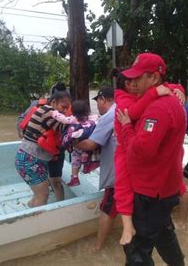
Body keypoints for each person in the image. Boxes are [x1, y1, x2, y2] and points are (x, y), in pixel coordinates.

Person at [116, 53, 186, 266]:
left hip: (151, 192)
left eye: (138, 77)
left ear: (154, 79)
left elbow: (140, 152)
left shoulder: (156, 109)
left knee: (137, 250)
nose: (133, 83)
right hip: (166, 187)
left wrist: (127, 127)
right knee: (164, 236)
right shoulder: (171, 100)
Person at [73, 86, 117, 251]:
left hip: (118, 175)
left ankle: (98, 247)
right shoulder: (124, 109)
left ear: (103, 99)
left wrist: (73, 142)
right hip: (133, 171)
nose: (97, 106)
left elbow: (91, 144)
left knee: (107, 208)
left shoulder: (109, 116)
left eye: (97, 101)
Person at [15, 91, 71, 207]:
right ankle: (38, 223)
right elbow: (62, 128)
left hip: (29, 159)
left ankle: (31, 207)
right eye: (63, 107)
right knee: (43, 195)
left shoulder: (48, 109)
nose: (65, 111)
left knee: (39, 195)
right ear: (54, 102)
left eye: (68, 108)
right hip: (29, 160)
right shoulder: (49, 111)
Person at [60, 100, 100, 187]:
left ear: (73, 112)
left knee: (75, 158)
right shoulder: (93, 118)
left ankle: (74, 177)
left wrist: (54, 113)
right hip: (90, 142)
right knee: (89, 153)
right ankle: (89, 165)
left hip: (79, 144)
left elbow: (63, 120)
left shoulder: (73, 120)